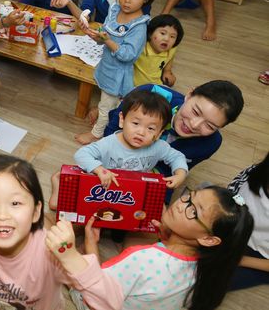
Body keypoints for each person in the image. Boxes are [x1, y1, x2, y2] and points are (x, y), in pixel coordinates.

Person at [0, 154, 115, 310]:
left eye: (15, 203)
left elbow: (110, 304)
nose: (2, 215)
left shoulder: (51, 252)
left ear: (36, 212)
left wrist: (70, 257)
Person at [51, 184, 254, 310]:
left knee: (47, 228)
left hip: (96, 302)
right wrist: (167, 238)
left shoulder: (142, 258)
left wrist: (87, 247)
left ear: (209, 239)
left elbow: (100, 296)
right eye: (189, 196)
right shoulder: (209, 265)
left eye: (193, 211)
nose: (181, 204)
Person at [49, 89, 188, 209]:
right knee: (67, 204)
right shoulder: (109, 143)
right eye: (135, 123)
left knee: (157, 212)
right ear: (122, 120)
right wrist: (100, 170)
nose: (141, 132)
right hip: (103, 184)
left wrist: (180, 174)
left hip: (130, 189)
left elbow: (177, 156)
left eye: (151, 128)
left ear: (159, 133)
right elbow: (82, 153)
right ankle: (58, 180)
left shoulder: (159, 146)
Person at [74, 0, 157, 145]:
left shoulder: (139, 26)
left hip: (118, 76)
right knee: (109, 104)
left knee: (106, 107)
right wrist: (93, 34)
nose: (127, 0)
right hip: (106, 67)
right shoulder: (114, 9)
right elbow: (104, 35)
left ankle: (96, 134)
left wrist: (107, 40)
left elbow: (128, 55)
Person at [104, 80, 245, 179]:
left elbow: (171, 172)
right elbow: (111, 132)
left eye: (209, 126)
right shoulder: (148, 95)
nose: (194, 124)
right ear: (189, 95)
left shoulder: (210, 143)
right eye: (195, 111)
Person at [228, 151, 269, 290]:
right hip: (235, 227)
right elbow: (233, 194)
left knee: (208, 282)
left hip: (259, 257)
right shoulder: (255, 172)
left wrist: (240, 260)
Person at [134, 14, 184, 87]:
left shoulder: (171, 49)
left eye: (172, 36)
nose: (167, 39)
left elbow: (171, 57)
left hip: (155, 85)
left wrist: (167, 71)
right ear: (150, 33)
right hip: (133, 86)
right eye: (162, 33)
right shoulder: (141, 46)